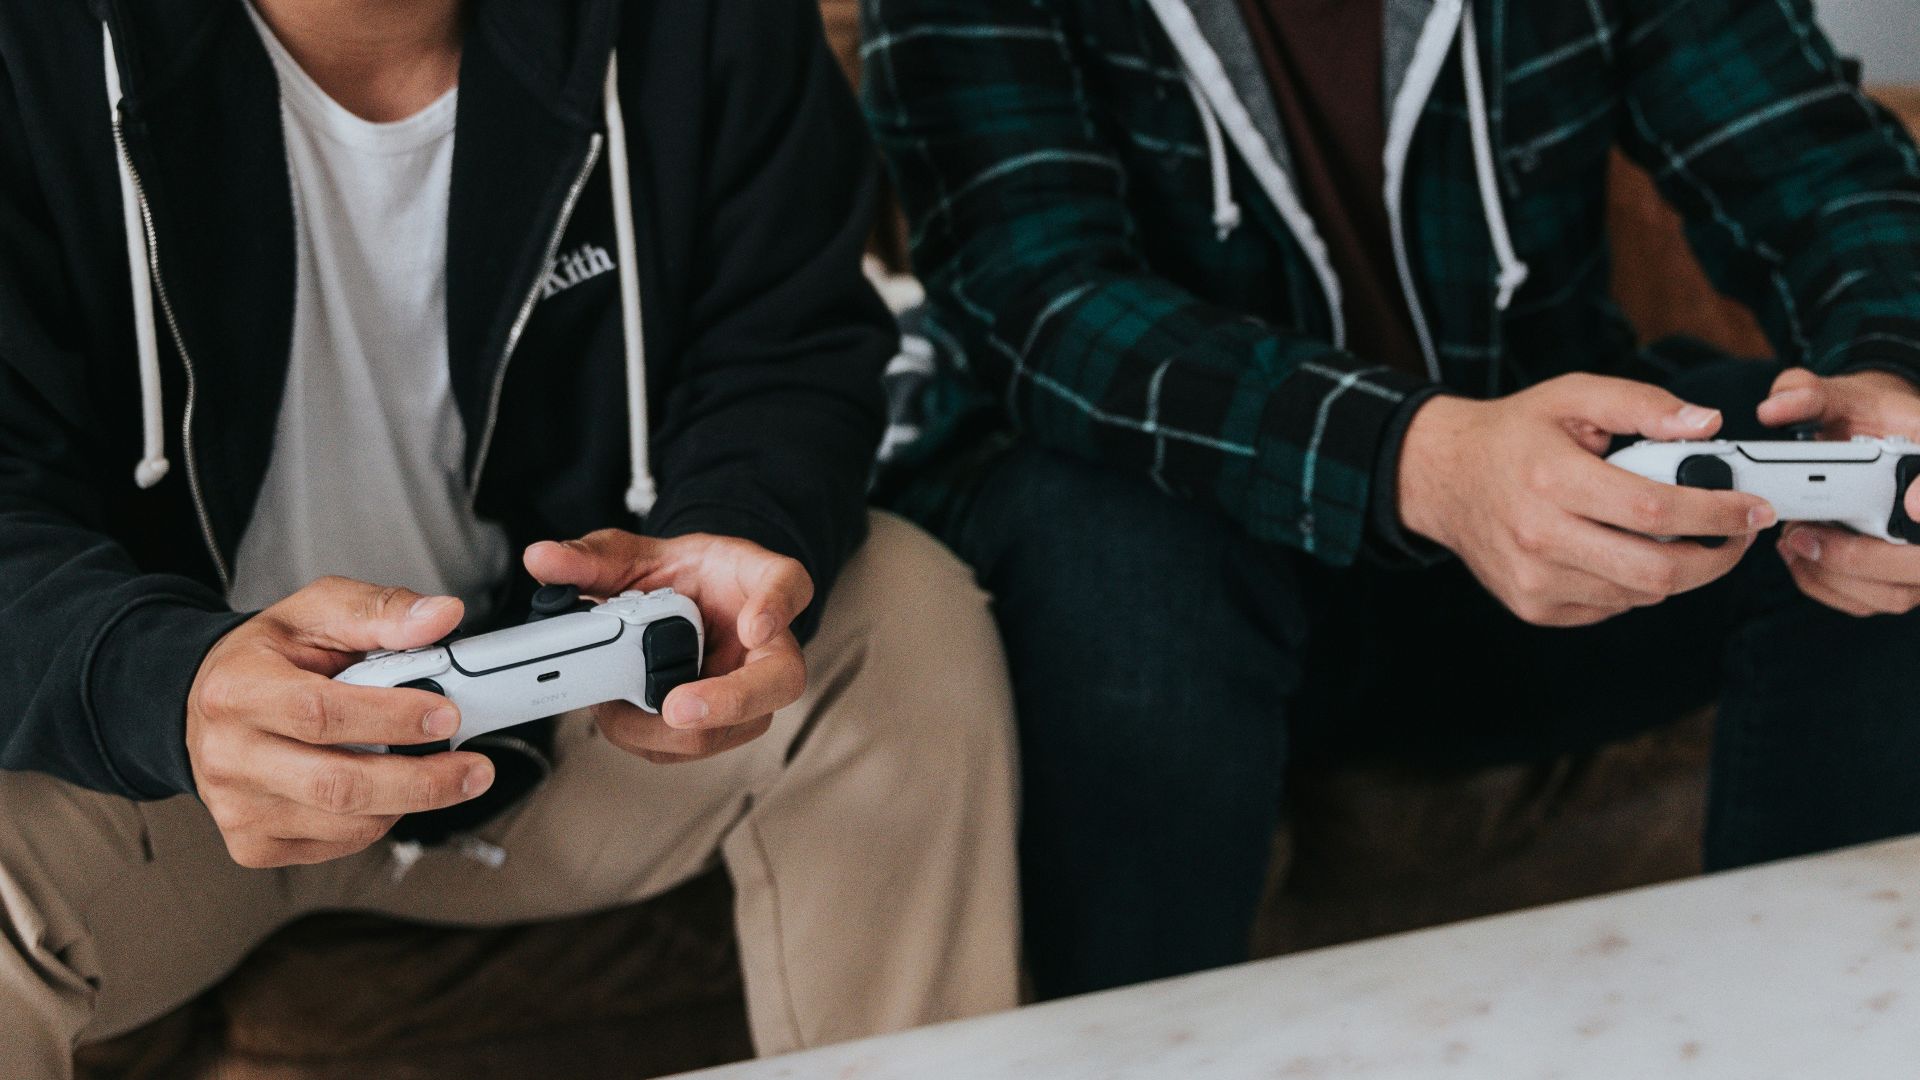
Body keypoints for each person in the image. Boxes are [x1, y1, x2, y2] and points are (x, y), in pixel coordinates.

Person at [0, 0, 1021, 1073]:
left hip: (566, 736)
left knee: (903, 619)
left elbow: (785, 347)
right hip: (162, 779)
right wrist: (161, 687)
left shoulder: (712, 25)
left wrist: (730, 534)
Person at [862, 0, 1920, 999]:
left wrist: (1888, 377)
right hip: (1180, 587)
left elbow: (1821, 168)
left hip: (1542, 567)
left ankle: (1818, 1029)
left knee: (1847, 482)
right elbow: (1037, 297)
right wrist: (1423, 458)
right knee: (1110, 548)